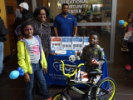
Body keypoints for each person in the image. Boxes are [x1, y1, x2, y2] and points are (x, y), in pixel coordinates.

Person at [17, 21, 52, 100]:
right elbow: (21, 58)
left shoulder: (37, 38)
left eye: (31, 29)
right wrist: (25, 72)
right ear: (23, 31)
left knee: (42, 81)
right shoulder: (21, 42)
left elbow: (41, 52)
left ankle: (46, 96)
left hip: (38, 64)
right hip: (29, 67)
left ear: (33, 29)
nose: (29, 31)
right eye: (26, 30)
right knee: (30, 85)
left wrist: (44, 65)